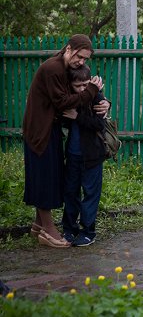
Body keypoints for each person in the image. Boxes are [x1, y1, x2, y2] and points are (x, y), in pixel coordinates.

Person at [22, 34, 107, 248]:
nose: (82, 62)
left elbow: (82, 97)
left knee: (50, 175)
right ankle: (48, 228)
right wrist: (92, 90)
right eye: (80, 57)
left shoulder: (64, 69)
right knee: (45, 177)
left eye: (85, 59)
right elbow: (63, 102)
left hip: (50, 130)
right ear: (69, 48)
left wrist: (104, 101)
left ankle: (38, 224)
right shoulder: (53, 68)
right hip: (39, 131)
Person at [61, 64, 109, 247]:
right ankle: (69, 229)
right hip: (73, 155)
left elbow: (99, 124)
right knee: (71, 192)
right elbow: (61, 116)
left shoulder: (96, 96)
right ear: (71, 84)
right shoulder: (68, 97)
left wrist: (77, 117)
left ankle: (88, 231)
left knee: (90, 193)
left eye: (85, 85)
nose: (82, 89)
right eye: (78, 85)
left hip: (92, 155)